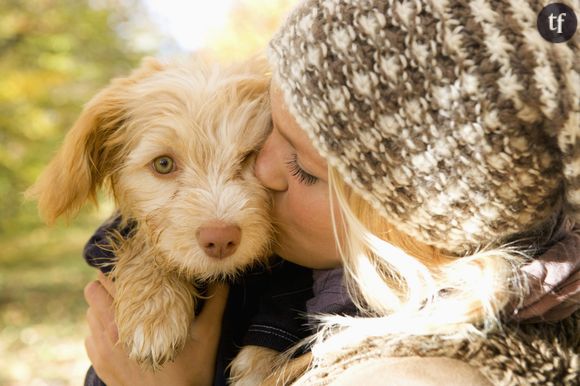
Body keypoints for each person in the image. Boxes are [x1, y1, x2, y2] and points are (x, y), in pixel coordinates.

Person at [83, 0, 580, 385]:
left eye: (304, 168)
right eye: (269, 129)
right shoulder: (309, 260)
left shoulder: (414, 371)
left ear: (413, 224)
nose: (262, 168)